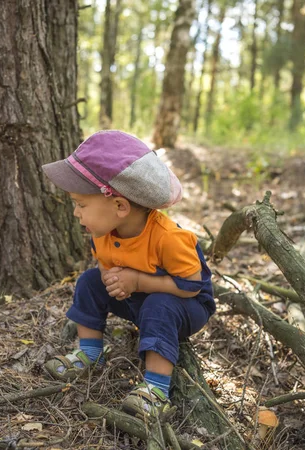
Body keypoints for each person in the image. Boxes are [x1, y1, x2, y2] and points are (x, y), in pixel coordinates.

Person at [41, 130, 215, 418]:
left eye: (81, 204)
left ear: (120, 206)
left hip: (185, 305)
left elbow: (192, 285)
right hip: (137, 300)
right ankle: (90, 351)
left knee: (160, 306)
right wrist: (112, 279)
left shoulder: (168, 238)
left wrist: (136, 281)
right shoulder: (102, 231)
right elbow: (104, 264)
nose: (75, 213)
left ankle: (156, 389)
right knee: (89, 282)